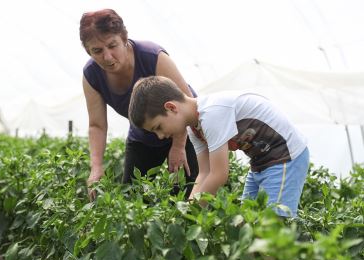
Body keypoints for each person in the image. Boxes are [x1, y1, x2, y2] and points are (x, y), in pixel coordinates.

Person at [128, 76, 310, 217]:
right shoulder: (194, 128)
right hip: (260, 163)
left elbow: (219, 174)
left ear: (171, 107)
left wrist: (190, 216)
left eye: (158, 127)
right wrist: (187, 210)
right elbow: (204, 173)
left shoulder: (212, 114)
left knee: (271, 234)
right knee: (247, 224)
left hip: (286, 157)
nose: (160, 136)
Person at [79, 9, 198, 201]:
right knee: (133, 197)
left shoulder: (151, 56)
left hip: (183, 129)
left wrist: (178, 146)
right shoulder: (92, 75)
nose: (107, 57)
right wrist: (96, 167)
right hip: (143, 136)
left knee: (188, 192)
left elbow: (185, 102)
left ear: (124, 38)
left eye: (112, 45)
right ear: (88, 51)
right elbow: (97, 125)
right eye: (97, 51)